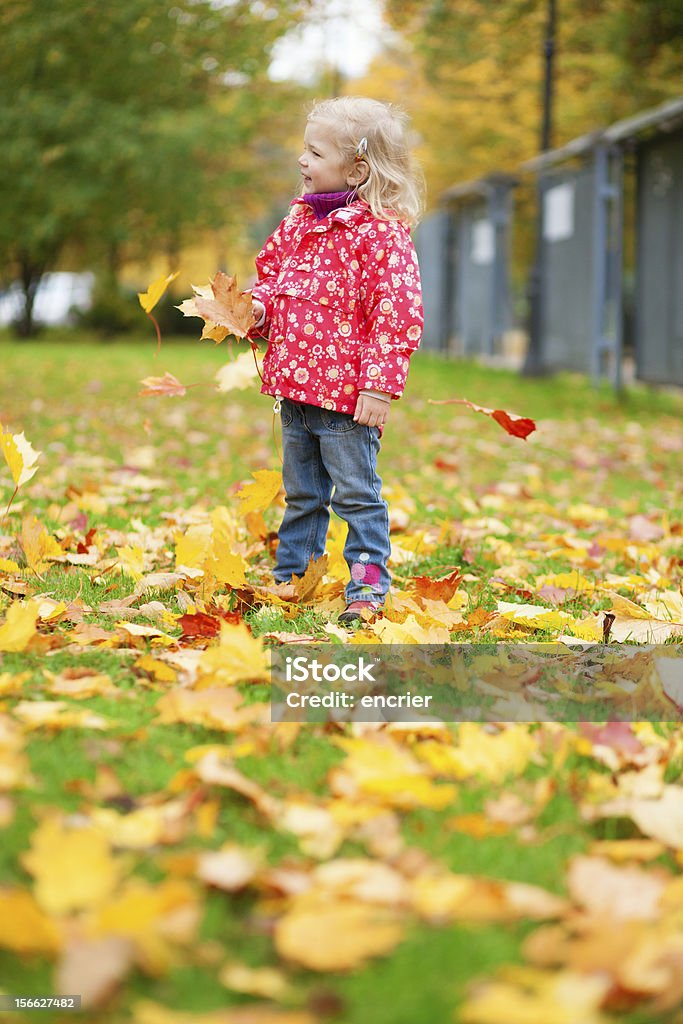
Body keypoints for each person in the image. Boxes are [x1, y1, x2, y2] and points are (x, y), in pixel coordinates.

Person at [250, 96, 424, 625]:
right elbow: (273, 280)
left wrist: (379, 386)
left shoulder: (379, 235)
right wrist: (256, 309)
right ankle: (293, 577)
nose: (301, 160)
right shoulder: (298, 222)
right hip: (294, 391)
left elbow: (397, 313)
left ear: (357, 168)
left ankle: (368, 583)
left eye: (314, 152)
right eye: (303, 149)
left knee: (355, 494)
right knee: (302, 493)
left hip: (346, 399)